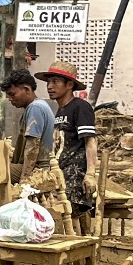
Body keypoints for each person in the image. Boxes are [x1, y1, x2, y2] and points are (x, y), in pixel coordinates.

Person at [35, 61, 98, 215]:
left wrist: (90, 174)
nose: (50, 86)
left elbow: (90, 141)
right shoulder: (61, 111)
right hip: (60, 176)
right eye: (48, 82)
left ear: (69, 85)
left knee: (65, 218)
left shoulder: (80, 107)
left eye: (55, 81)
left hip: (74, 179)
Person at [2, 69, 54, 183]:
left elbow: (32, 148)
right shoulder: (39, 105)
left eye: (12, 94)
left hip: (40, 169)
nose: (10, 99)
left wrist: (24, 180)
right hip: (40, 166)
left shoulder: (35, 108)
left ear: (26, 90)